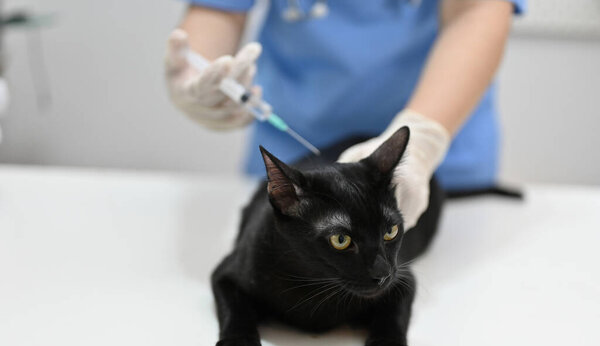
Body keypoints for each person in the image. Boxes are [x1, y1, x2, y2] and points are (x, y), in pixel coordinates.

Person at [166, 0, 525, 230]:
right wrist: (200, 76)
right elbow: (218, 9)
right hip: (295, 165)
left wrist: (425, 135)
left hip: (439, 165)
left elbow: (478, 10)